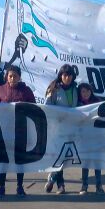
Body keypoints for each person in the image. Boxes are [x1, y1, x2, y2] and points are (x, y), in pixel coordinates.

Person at [0, 65, 34, 196]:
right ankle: (1, 186)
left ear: (19, 77)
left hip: (20, 130)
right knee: (3, 160)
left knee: (19, 159)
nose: (12, 78)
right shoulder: (0, 89)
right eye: (10, 75)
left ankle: (20, 186)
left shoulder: (26, 91)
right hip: (4, 130)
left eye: (15, 76)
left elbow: (34, 107)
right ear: (6, 76)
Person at [43, 64, 80, 194]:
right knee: (59, 155)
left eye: (69, 75)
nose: (67, 78)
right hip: (57, 129)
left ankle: (52, 178)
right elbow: (47, 107)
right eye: (65, 75)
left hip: (71, 128)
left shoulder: (76, 89)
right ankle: (61, 185)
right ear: (60, 75)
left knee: (64, 156)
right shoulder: (54, 88)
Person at [76, 83, 104, 194]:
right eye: (83, 91)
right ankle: (84, 185)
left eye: (88, 91)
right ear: (80, 93)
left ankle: (99, 185)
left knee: (97, 163)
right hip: (84, 138)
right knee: (85, 163)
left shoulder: (98, 102)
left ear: (91, 91)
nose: (86, 93)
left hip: (96, 137)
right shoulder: (77, 104)